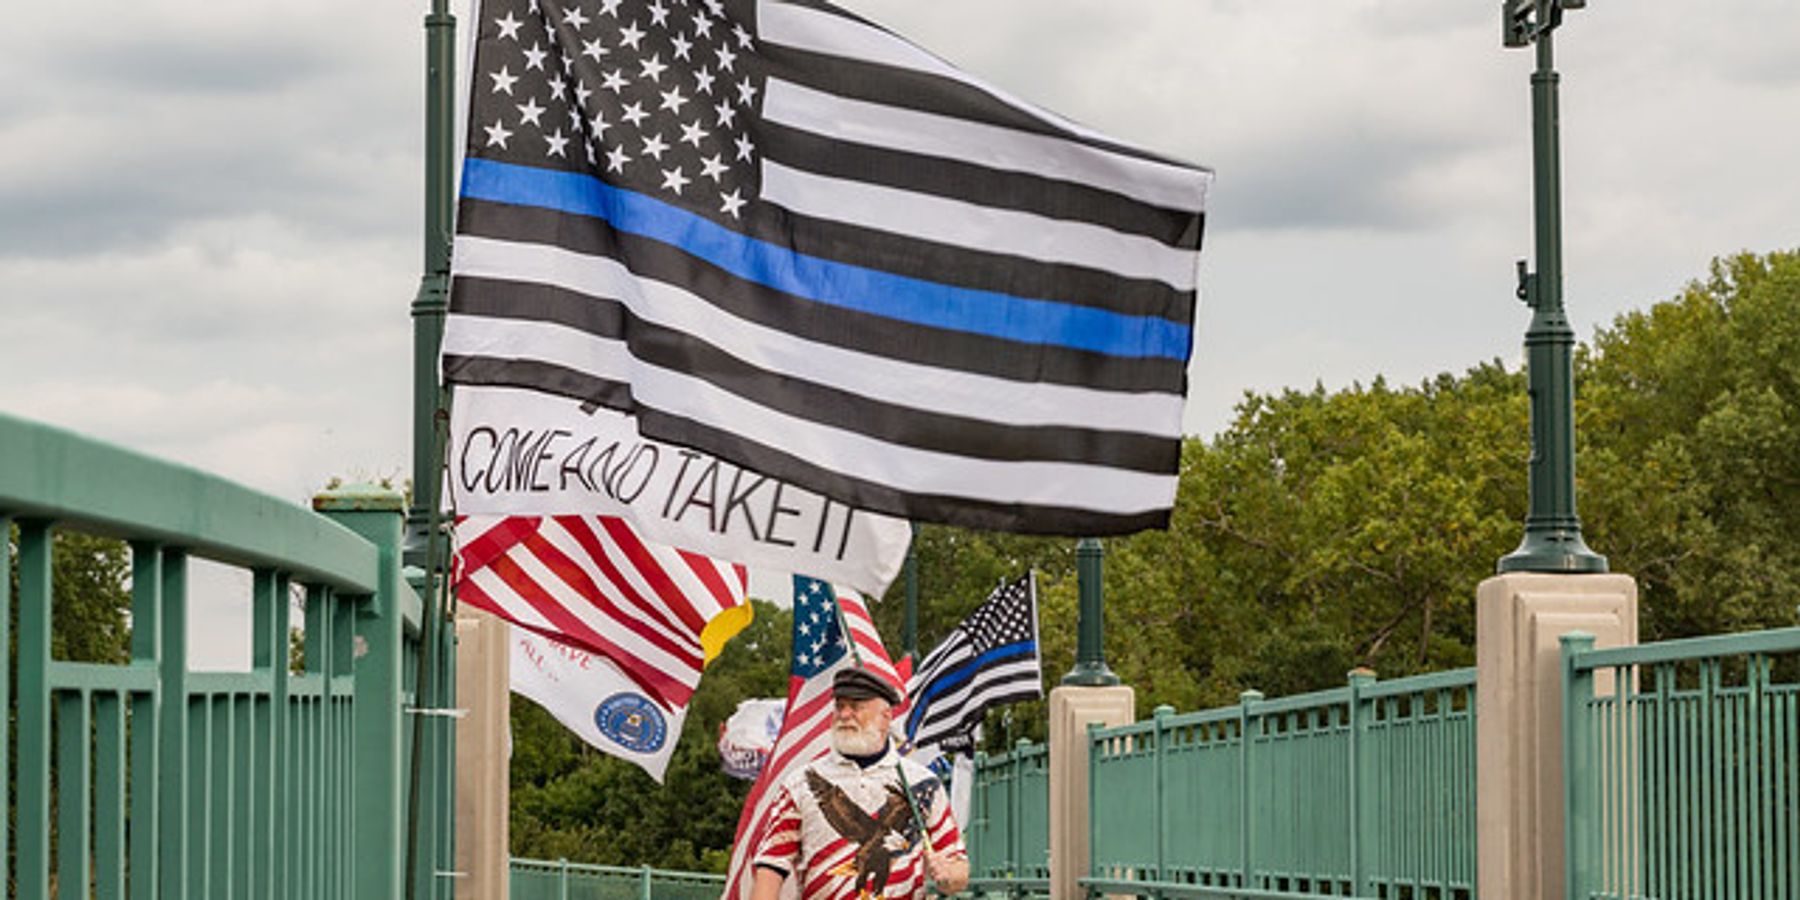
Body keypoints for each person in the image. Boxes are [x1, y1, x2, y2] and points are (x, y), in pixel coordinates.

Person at [750, 668, 971, 899]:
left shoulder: (922, 783)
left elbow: (958, 868)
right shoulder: (800, 782)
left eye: (856, 707)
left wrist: (949, 877)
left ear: (885, 716)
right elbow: (771, 865)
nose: (845, 714)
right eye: (839, 706)